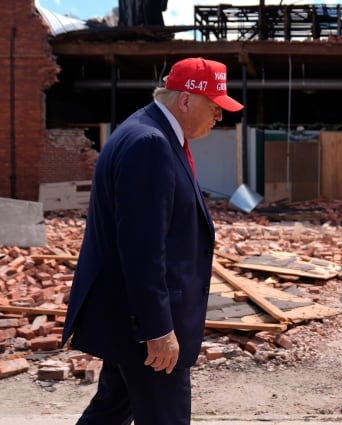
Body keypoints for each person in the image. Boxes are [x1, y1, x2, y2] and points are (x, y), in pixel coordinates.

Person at [61, 57, 244, 425]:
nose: (219, 117)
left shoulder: (144, 131)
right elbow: (142, 248)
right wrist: (158, 329)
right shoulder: (150, 144)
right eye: (215, 107)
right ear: (187, 101)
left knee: (111, 410)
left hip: (127, 315)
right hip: (146, 325)